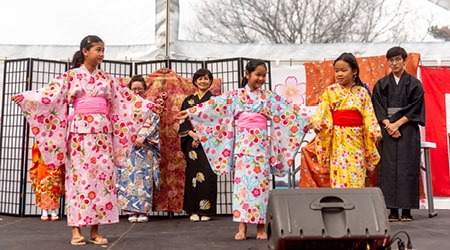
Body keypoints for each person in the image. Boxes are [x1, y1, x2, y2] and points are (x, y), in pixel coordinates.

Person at [11, 35, 154, 245]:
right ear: (85, 51)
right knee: (79, 180)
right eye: (98, 49)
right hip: (79, 136)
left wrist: (148, 106)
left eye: (103, 50)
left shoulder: (107, 78)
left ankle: (95, 231)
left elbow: (125, 99)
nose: (102, 54)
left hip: (102, 135)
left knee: (102, 180)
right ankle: (76, 230)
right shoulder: (71, 76)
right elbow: (49, 95)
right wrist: (27, 98)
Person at [175, 60, 309, 240]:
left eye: (263, 75)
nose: (261, 79)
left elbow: (289, 112)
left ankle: (261, 226)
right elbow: (214, 107)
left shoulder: (268, 97)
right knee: (242, 187)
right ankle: (242, 227)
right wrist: (191, 112)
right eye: (257, 75)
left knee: (261, 187)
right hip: (243, 146)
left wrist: (309, 121)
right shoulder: (236, 96)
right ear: (247, 74)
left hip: (261, 147)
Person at [308, 52, 381, 188]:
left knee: (357, 176)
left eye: (343, 70)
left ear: (354, 71)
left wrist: (374, 131)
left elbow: (369, 115)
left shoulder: (362, 93)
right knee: (339, 179)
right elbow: (322, 110)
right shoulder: (330, 91)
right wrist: (317, 123)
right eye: (336, 71)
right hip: (338, 141)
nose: (339, 74)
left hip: (357, 141)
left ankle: (356, 208)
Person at [372, 46, 425, 222]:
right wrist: (388, 125)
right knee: (388, 168)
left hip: (407, 129)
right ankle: (393, 210)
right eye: (391, 60)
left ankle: (407, 210)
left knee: (407, 167)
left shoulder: (415, 84)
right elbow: (378, 107)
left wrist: (397, 124)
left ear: (405, 60)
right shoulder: (381, 84)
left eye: (397, 59)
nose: (394, 63)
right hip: (388, 130)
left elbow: (416, 107)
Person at [117, 75, 162, 223]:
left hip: (145, 147)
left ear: (144, 89)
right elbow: (121, 125)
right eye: (134, 88)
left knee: (143, 179)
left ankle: (143, 210)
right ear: (129, 89)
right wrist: (132, 137)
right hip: (130, 148)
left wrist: (143, 137)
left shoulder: (149, 105)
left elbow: (154, 121)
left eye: (139, 88)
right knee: (128, 179)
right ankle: (130, 210)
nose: (137, 91)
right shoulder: (124, 106)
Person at [178, 69, 217, 222]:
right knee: (193, 175)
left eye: (206, 79)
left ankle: (206, 210)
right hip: (192, 142)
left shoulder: (215, 101)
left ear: (210, 81)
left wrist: (202, 136)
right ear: (195, 81)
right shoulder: (188, 101)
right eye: (199, 79)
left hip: (209, 143)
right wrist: (192, 135)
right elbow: (183, 121)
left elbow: (217, 121)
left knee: (207, 175)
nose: (203, 81)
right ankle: (193, 210)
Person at [29, 143, 64, 221]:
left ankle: (54, 211)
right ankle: (44, 211)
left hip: (55, 166)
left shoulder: (58, 140)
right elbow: (36, 153)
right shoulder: (40, 141)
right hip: (43, 166)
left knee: (55, 188)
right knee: (43, 189)